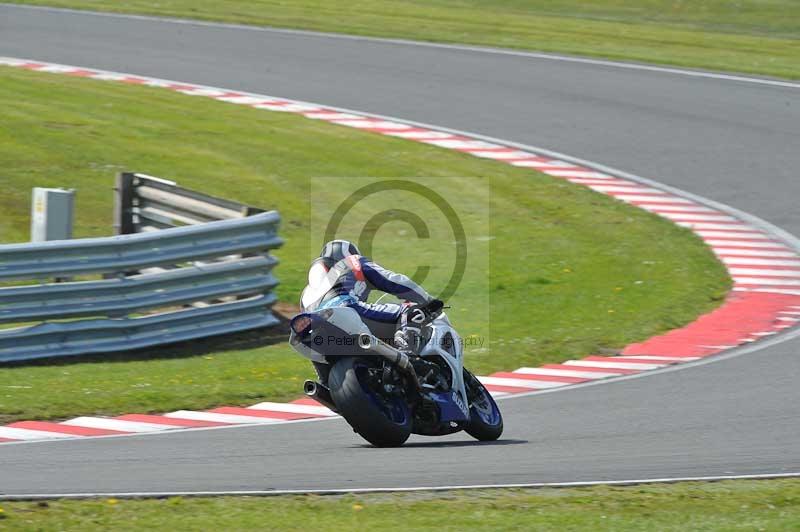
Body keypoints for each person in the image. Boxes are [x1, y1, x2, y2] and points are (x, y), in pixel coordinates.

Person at [300, 239, 443, 357]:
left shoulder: (307, 291)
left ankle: (325, 385)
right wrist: (427, 300)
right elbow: (394, 280)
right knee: (409, 311)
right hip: (347, 310)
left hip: (315, 330)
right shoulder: (352, 261)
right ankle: (407, 351)